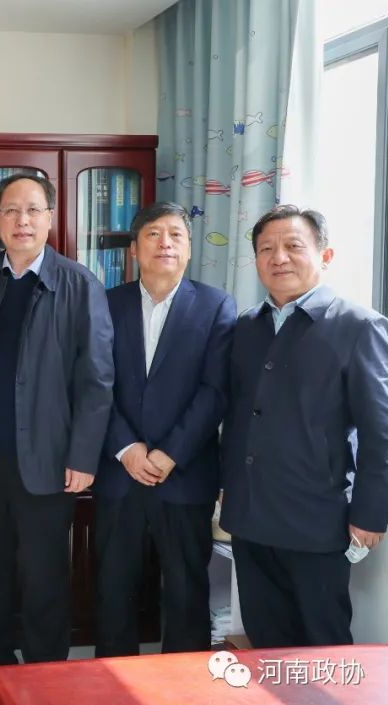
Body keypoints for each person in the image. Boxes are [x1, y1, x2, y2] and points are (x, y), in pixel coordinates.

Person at [0, 174, 114, 697]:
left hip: (49, 456)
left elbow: (97, 379)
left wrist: (84, 455)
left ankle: (47, 669)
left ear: (50, 217)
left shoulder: (79, 283)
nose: (21, 220)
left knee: (44, 571)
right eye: (10, 210)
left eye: (32, 210)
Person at [220, 205, 388, 648]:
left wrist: (369, 514)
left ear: (325, 255)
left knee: (324, 645)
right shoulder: (246, 326)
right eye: (266, 249)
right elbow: (237, 416)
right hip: (250, 517)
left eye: (293, 246)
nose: (278, 257)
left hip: (316, 521)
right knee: (266, 645)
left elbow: (382, 432)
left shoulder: (359, 326)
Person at [93, 201, 236, 657]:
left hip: (185, 473)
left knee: (185, 589)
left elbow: (215, 390)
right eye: (153, 234)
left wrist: (170, 452)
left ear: (189, 249)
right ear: (134, 250)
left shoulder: (216, 305)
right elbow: (95, 385)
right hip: (119, 472)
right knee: (113, 586)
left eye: (176, 235)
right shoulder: (106, 303)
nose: (165, 243)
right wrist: (126, 447)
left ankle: (182, 684)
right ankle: (112, 678)